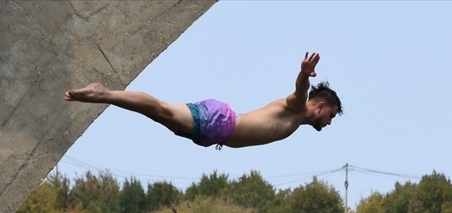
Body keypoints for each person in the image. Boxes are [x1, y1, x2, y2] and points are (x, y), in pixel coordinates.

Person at [65, 52, 342, 149]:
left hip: (214, 132)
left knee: (157, 113)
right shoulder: (295, 109)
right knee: (159, 109)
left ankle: (105, 94)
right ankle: (102, 93)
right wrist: (303, 74)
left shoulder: (295, 121)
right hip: (220, 122)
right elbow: (299, 91)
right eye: (330, 116)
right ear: (320, 106)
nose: (328, 123)